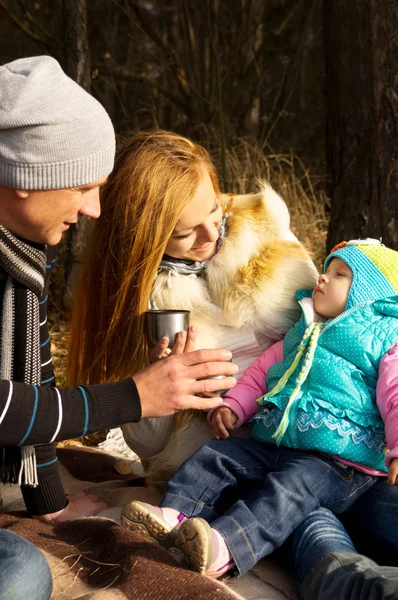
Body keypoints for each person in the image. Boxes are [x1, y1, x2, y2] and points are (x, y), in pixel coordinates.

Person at [0, 56, 237, 600]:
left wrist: (52, 507)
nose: (95, 209)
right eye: (84, 187)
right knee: (20, 576)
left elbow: (36, 395)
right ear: (27, 180)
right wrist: (133, 396)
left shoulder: (23, 265)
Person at [125, 239, 398, 596]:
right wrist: (235, 406)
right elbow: (261, 372)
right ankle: (174, 516)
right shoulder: (303, 328)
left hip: (338, 462)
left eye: (339, 274)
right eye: (326, 269)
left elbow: (395, 395)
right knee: (217, 457)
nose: (324, 278)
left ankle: (226, 547)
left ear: (367, 292)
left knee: (288, 491)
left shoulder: (382, 338)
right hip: (277, 443)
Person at [68, 129, 318, 490]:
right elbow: (149, 445)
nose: (211, 234)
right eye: (185, 233)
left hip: (306, 435)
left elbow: (329, 333)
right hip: (217, 466)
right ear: (146, 236)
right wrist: (158, 380)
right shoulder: (138, 299)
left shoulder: (267, 229)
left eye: (215, 207)